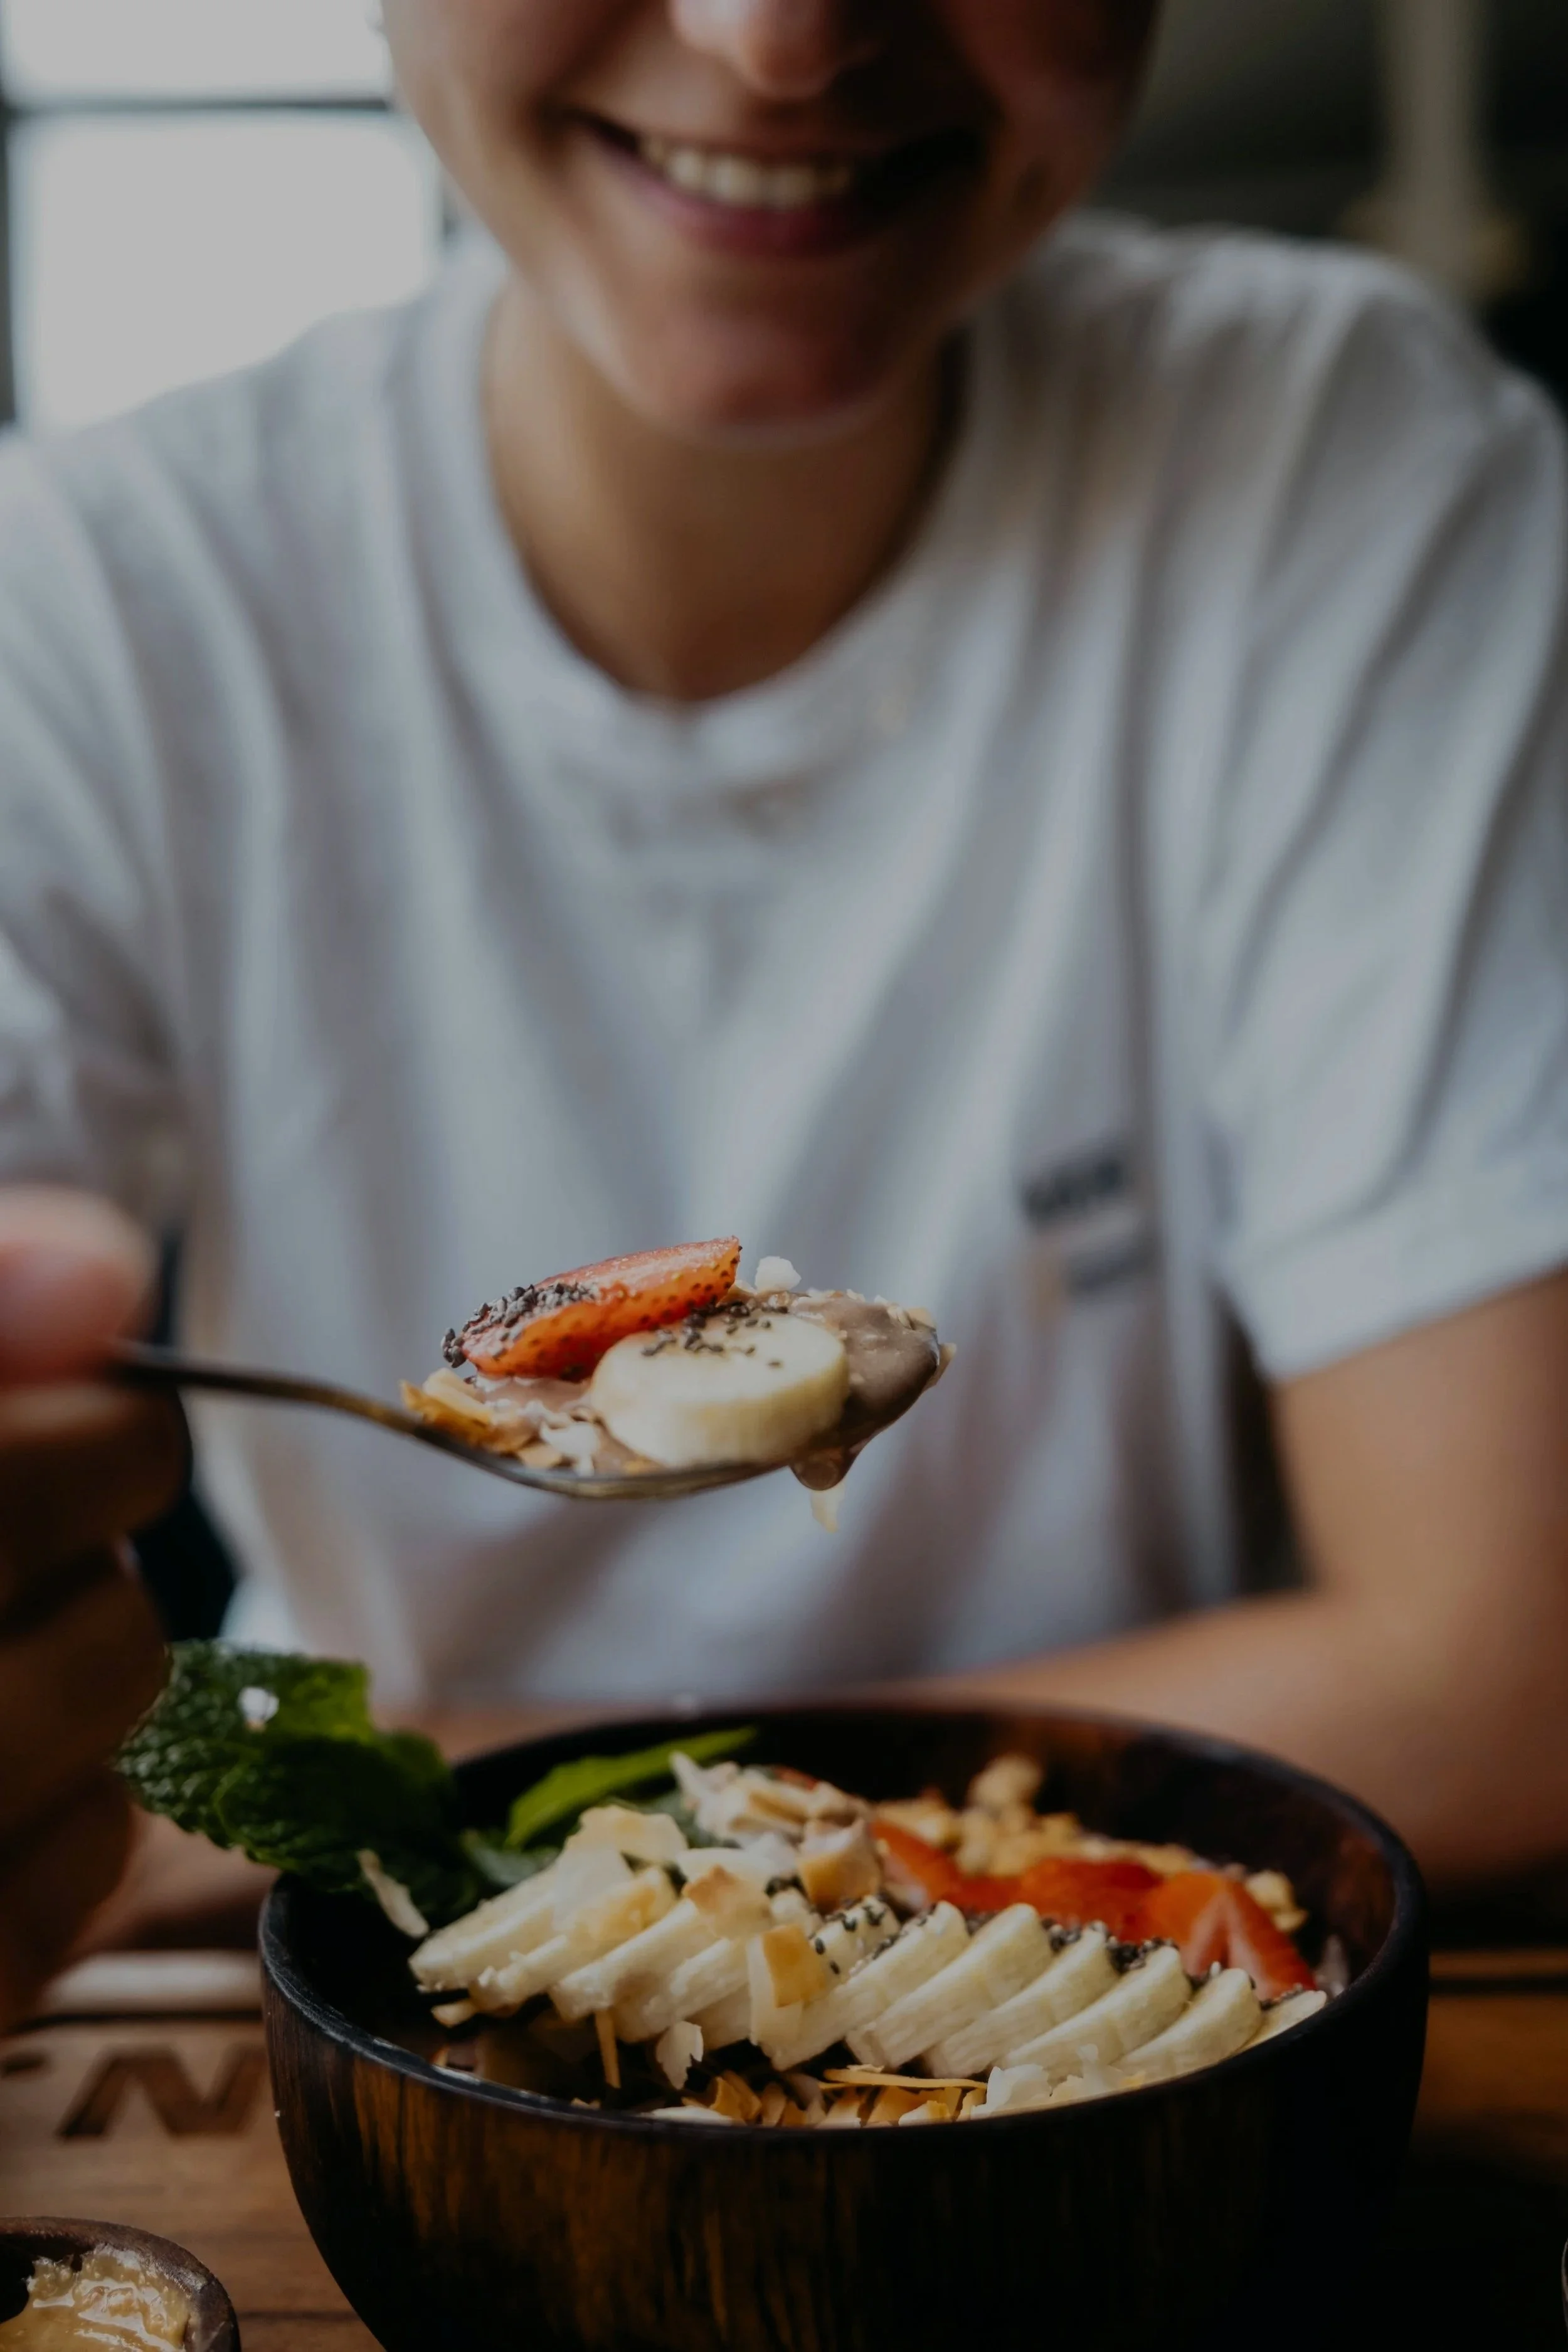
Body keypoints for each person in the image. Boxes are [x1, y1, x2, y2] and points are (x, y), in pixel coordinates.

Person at [3, 0, 1567, 2028]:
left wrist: (453, 1764)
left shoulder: (1342, 465)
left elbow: (1505, 1668)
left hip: (1122, 2038)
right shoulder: (99, 601)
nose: (777, 38)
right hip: (386, 2034)